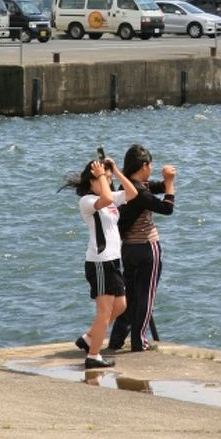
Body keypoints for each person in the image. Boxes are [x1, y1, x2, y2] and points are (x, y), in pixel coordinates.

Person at [64, 157, 137, 369]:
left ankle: (88, 339)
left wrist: (115, 170)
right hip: (100, 262)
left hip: (113, 260)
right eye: (103, 178)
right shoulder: (87, 201)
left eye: (108, 178)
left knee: (121, 305)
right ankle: (93, 355)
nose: (108, 181)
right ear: (92, 180)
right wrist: (102, 176)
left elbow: (132, 193)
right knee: (104, 313)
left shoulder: (108, 196)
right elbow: (105, 197)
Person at [108, 144, 176, 353]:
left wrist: (164, 182)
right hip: (147, 248)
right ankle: (139, 340)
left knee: (130, 296)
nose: (152, 168)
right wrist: (170, 183)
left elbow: (153, 187)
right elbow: (167, 208)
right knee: (146, 295)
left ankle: (117, 338)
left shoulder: (125, 188)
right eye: (151, 164)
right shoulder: (138, 192)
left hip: (128, 249)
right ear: (144, 165)